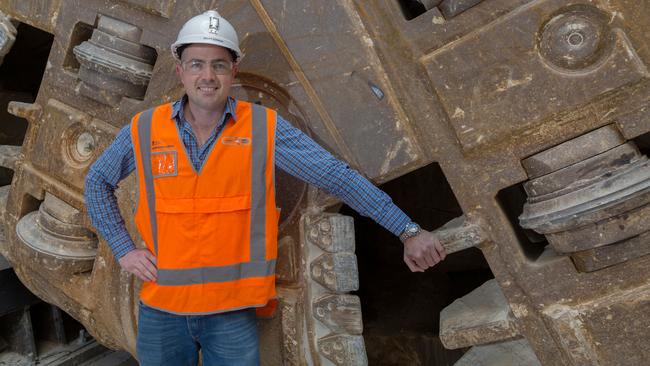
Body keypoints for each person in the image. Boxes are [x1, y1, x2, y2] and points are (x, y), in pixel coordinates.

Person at [84, 9, 446, 366]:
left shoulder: (262, 128)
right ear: (180, 70)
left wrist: (407, 230)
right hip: (161, 312)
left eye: (219, 64)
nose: (207, 76)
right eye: (196, 64)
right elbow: (97, 182)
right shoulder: (145, 128)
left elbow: (336, 176)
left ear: (234, 70)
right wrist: (123, 249)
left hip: (231, 316)